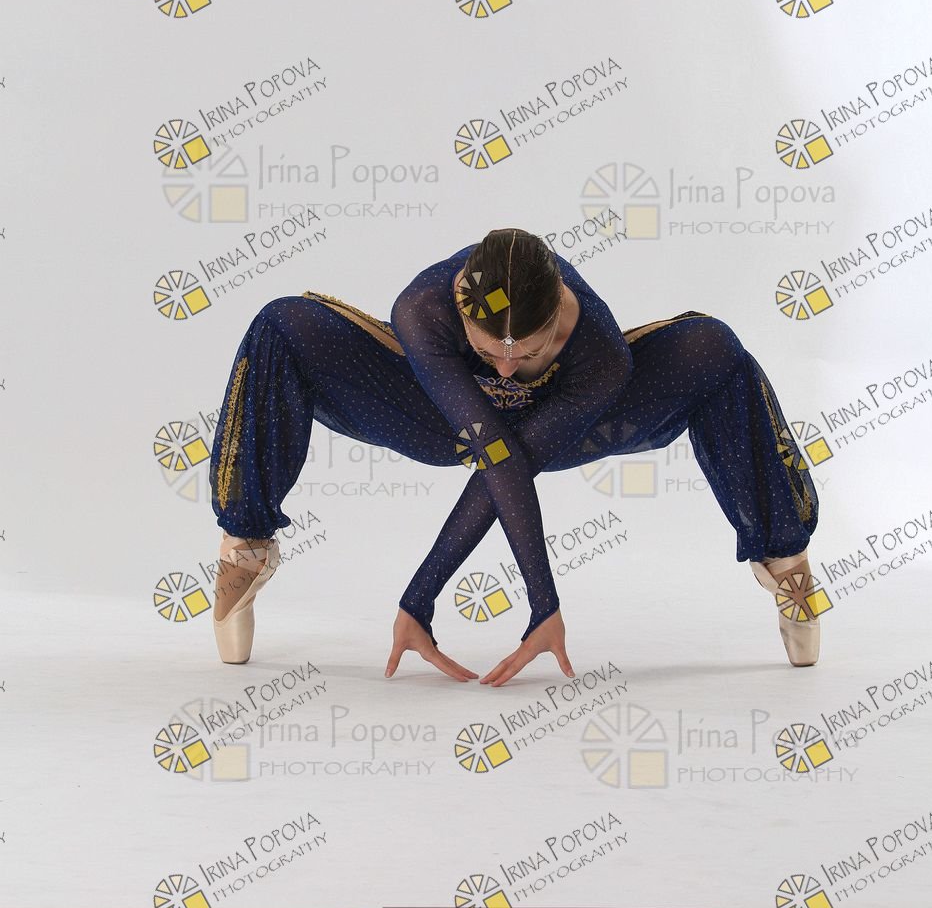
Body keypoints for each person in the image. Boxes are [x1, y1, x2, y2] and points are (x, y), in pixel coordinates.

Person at [208, 227, 822, 686]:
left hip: (564, 422)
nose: (505, 368)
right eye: (488, 349)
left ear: (558, 315)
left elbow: (510, 460)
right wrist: (431, 600)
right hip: (440, 413)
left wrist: (520, 604)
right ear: (460, 307)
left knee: (713, 347)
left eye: (526, 351)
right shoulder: (421, 310)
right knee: (284, 324)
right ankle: (245, 543)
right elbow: (491, 448)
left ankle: (784, 554)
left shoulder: (600, 352)